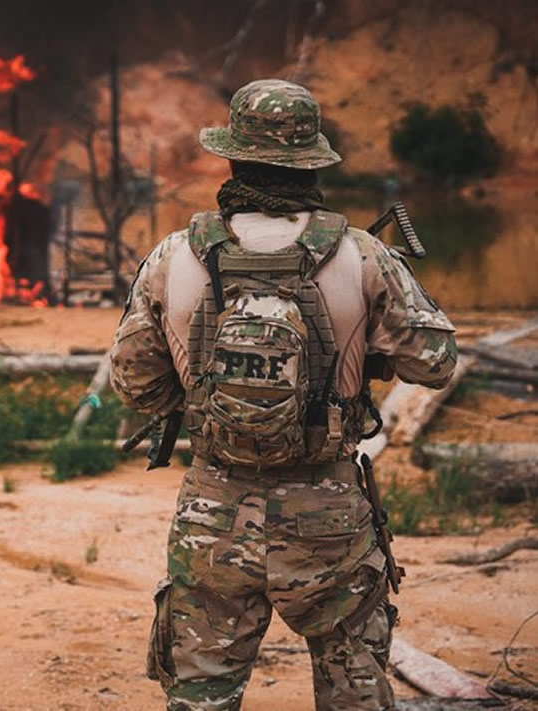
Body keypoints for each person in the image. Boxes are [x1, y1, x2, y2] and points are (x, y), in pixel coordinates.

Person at [109, 79, 457, 711]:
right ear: (311, 163)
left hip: (213, 510)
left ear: (234, 158)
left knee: (200, 696)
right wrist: (368, 352)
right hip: (329, 516)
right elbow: (435, 364)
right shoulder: (362, 254)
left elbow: (133, 381)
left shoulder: (173, 256)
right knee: (354, 689)